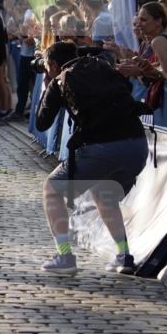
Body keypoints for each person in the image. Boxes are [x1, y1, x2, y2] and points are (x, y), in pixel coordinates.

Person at [36, 41, 148, 276]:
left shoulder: (60, 79)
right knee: (103, 193)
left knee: (51, 189)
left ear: (54, 65)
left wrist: (48, 87)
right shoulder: (102, 66)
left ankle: (64, 255)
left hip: (102, 148)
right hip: (137, 145)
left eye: (47, 66)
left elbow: (42, 122)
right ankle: (124, 255)